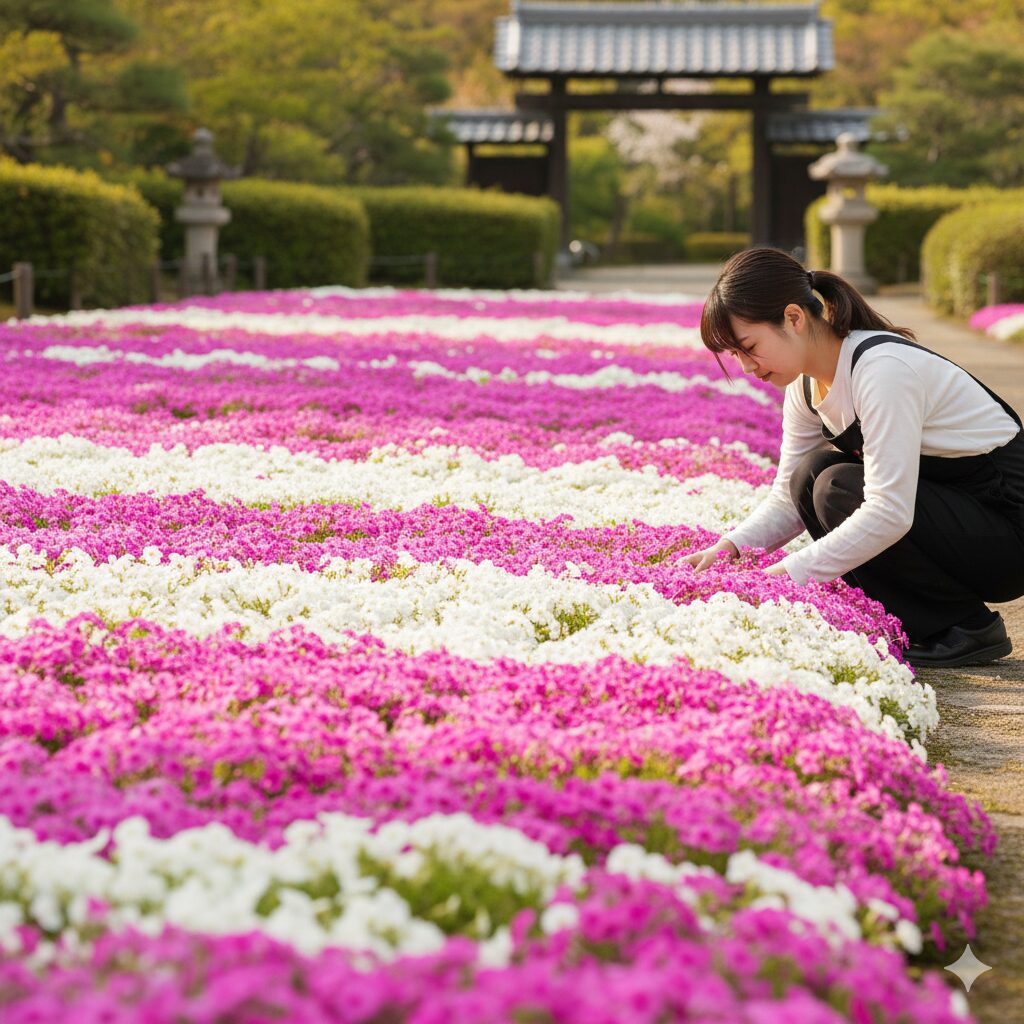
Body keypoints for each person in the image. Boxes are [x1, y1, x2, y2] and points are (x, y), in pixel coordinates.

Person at [682, 247, 1024, 668]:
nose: (747, 367)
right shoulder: (805, 388)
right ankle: (924, 622)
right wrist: (729, 549)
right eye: (735, 356)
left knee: (835, 487)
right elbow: (787, 498)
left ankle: (964, 627)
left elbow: (889, 510)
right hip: (960, 521)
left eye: (749, 347)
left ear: (793, 318)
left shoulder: (882, 370)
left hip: (1008, 532)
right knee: (810, 477)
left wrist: (783, 577)